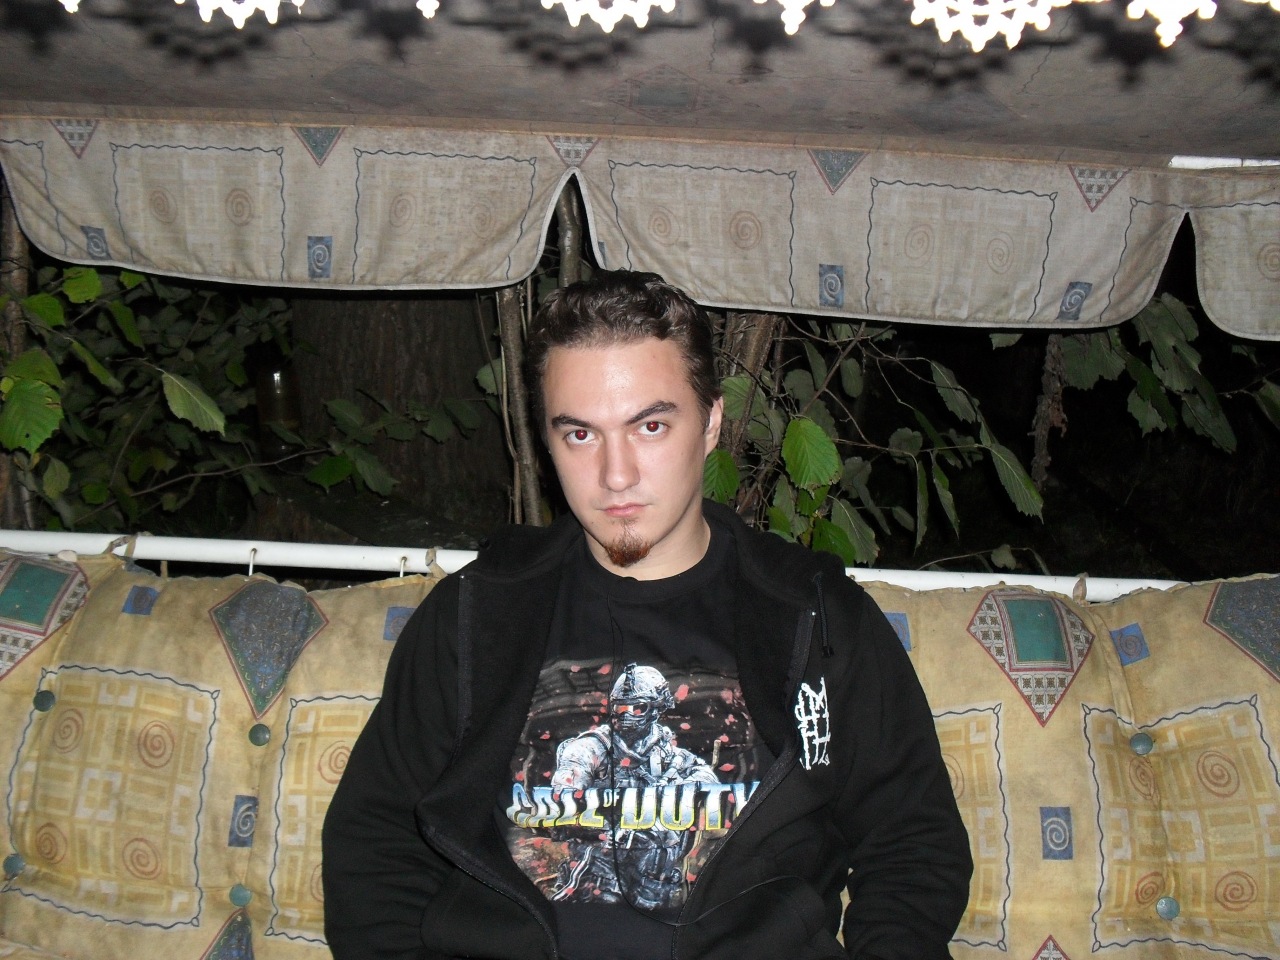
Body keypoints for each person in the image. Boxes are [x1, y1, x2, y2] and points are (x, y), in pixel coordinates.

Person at [322, 270, 973, 960]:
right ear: (547, 441)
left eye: (650, 426)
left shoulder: (814, 620)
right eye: (580, 434)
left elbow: (912, 843)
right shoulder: (477, 616)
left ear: (711, 424)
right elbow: (377, 843)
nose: (616, 475)